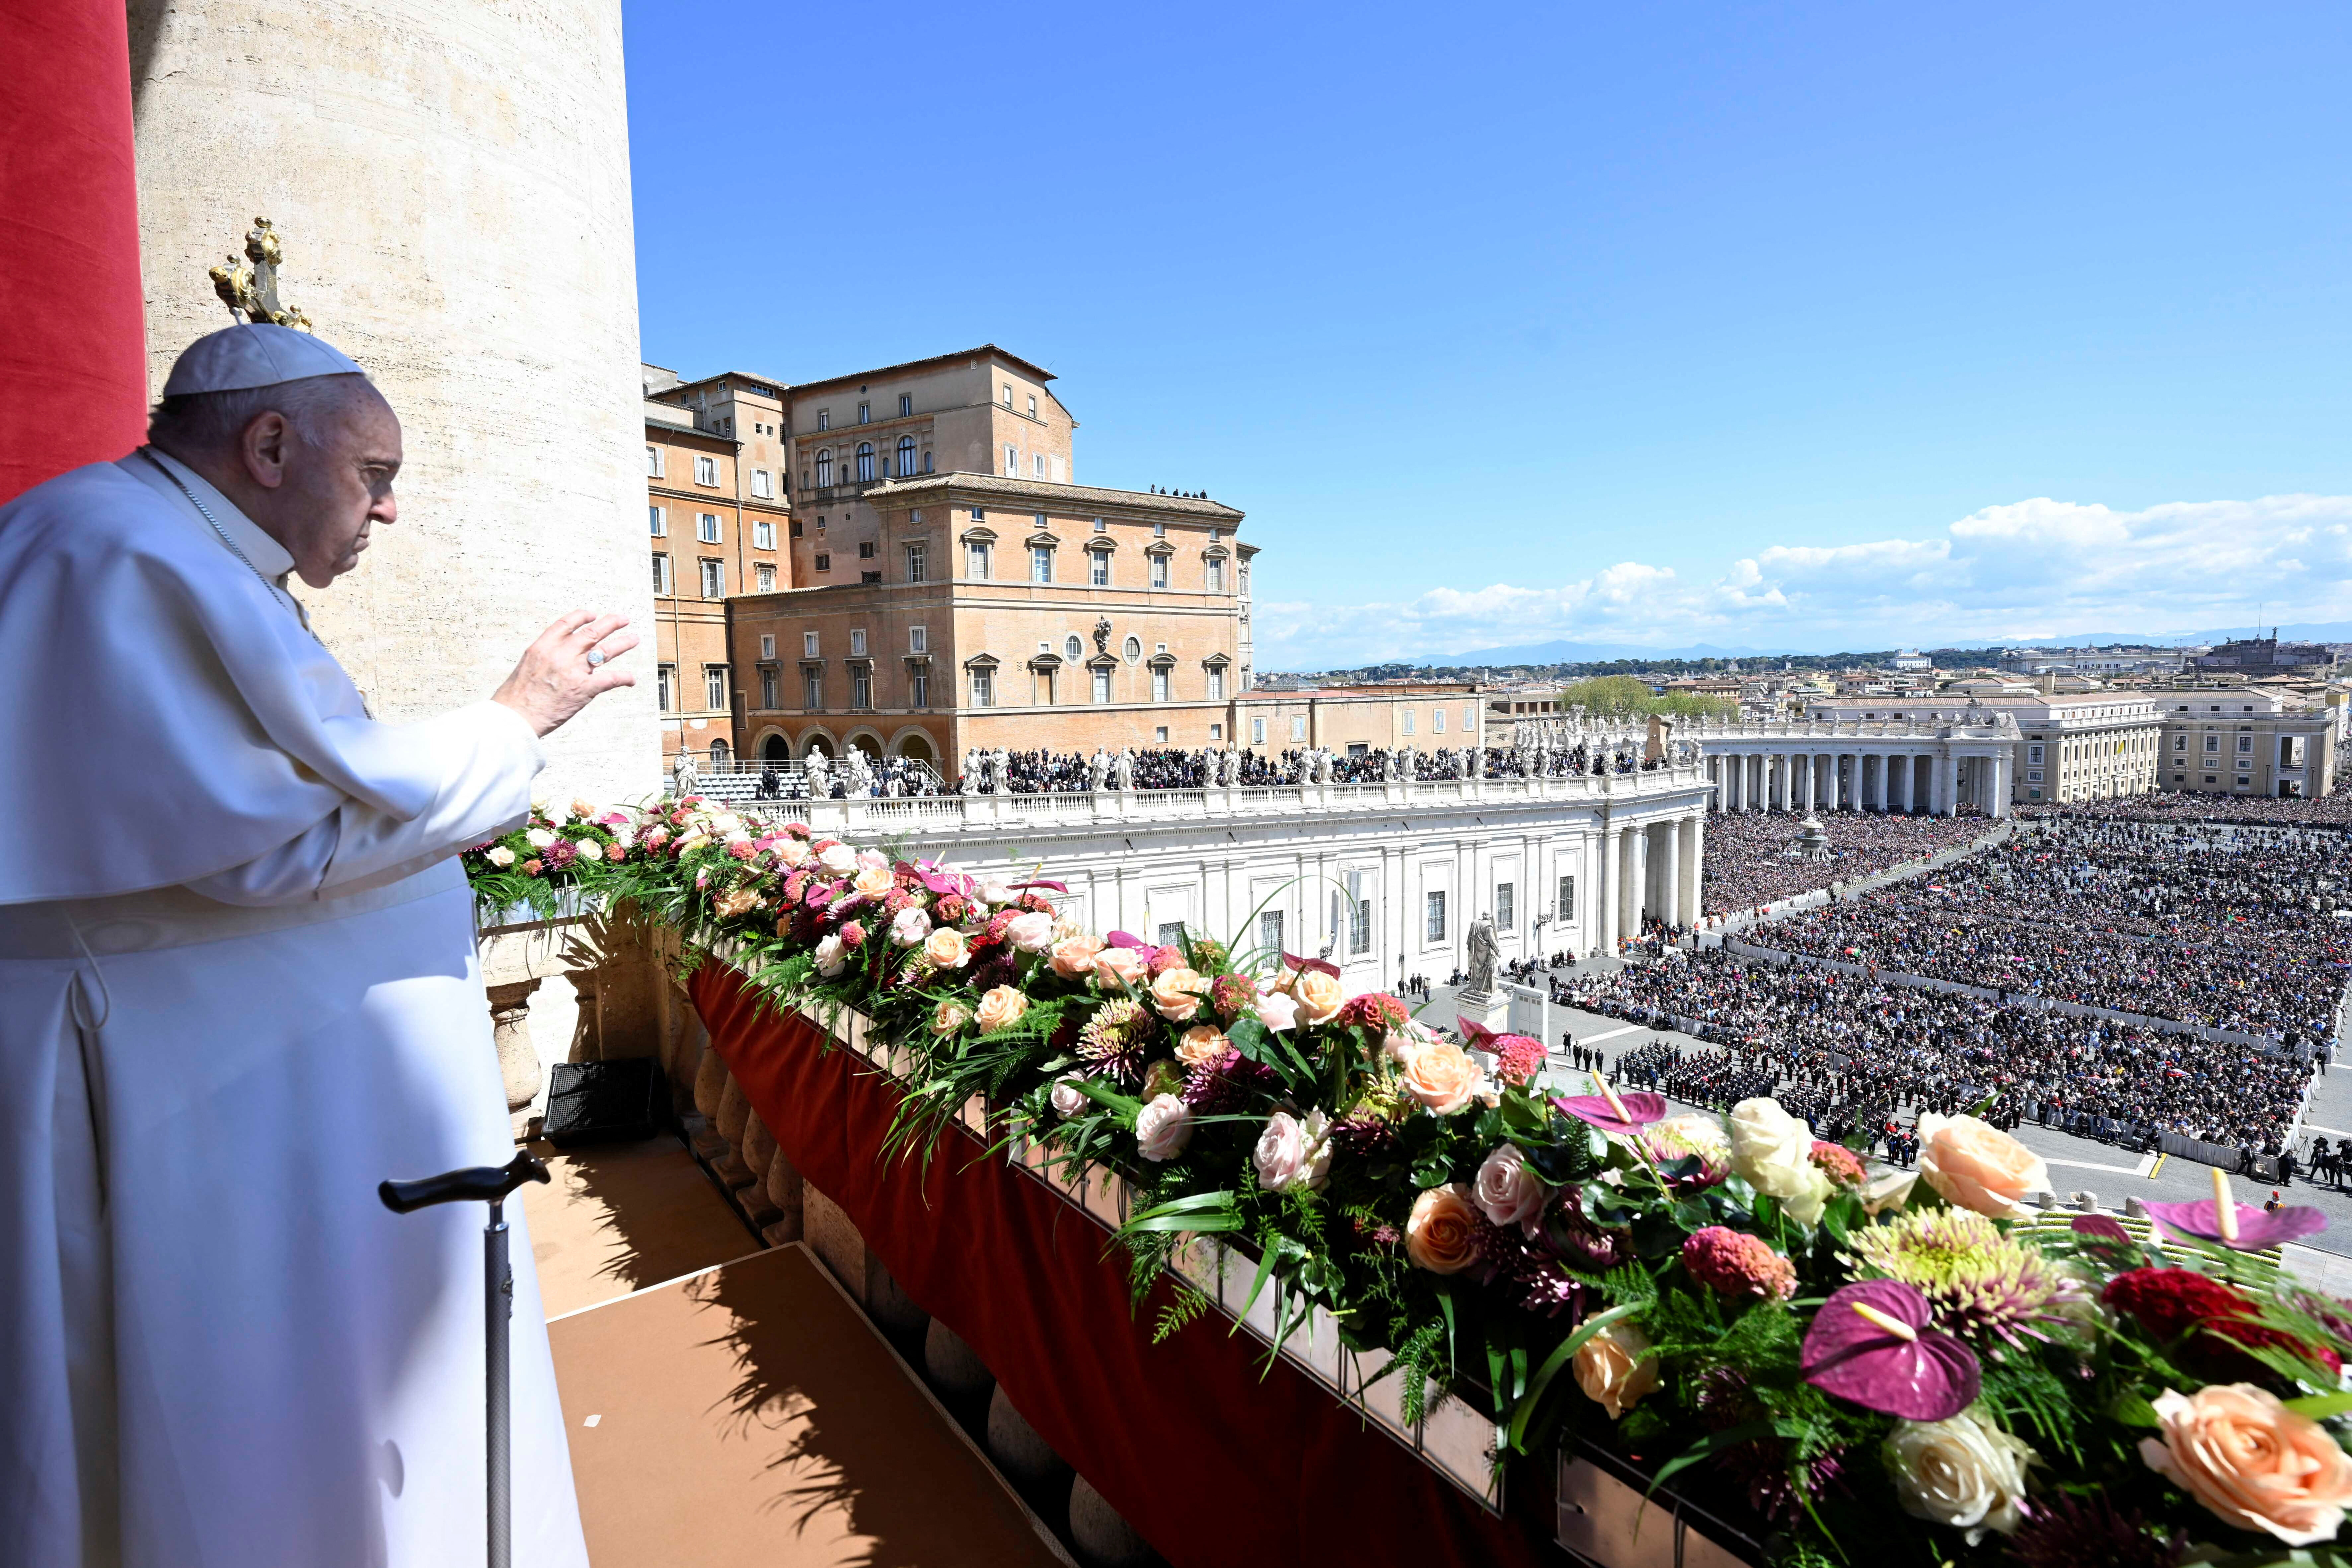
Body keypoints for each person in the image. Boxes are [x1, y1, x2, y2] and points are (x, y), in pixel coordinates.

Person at [0, 325, 618, 1567]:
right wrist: (515, 720)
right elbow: (278, 844)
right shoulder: (127, 554)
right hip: (183, 1096)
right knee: (221, 1429)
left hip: (220, 1079)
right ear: (270, 443)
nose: (388, 510)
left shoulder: (147, 542)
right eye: (374, 474)